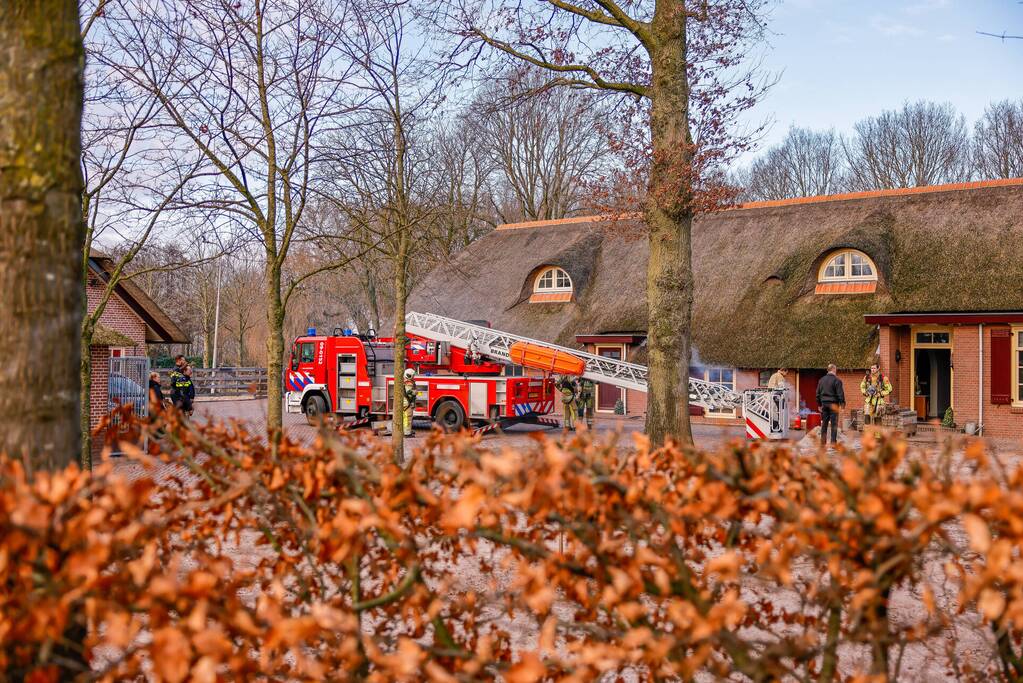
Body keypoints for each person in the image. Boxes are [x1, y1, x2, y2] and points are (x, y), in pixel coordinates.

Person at [816, 364, 846, 446]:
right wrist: (842, 405)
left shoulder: (821, 380)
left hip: (824, 404)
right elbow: (840, 394)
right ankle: (833, 443)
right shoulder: (837, 380)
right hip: (833, 404)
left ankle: (823, 442)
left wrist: (819, 404)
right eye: (836, 369)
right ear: (833, 369)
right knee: (834, 424)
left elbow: (817, 394)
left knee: (824, 424)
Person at [402, 368, 417, 438]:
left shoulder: (405, 381)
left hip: (405, 402)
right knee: (408, 418)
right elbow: (409, 393)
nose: (414, 377)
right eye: (413, 376)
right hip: (407, 403)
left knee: (406, 418)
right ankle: (407, 433)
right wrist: (415, 392)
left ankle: (407, 431)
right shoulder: (409, 383)